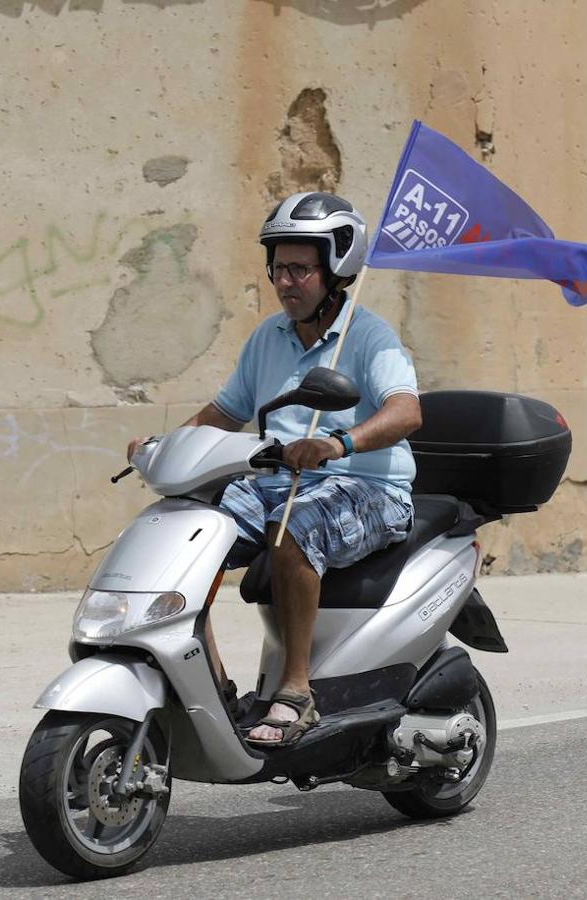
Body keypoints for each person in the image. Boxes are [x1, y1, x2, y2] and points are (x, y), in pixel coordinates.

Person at [127, 191, 422, 747]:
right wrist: (166, 446)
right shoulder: (268, 337)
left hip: (368, 487)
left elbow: (407, 411)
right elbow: (223, 414)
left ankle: (295, 691)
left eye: (300, 270)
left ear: (335, 272)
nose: (286, 282)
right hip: (274, 480)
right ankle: (210, 684)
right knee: (187, 529)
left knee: (294, 528)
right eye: (278, 268)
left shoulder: (369, 336)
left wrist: (339, 443)